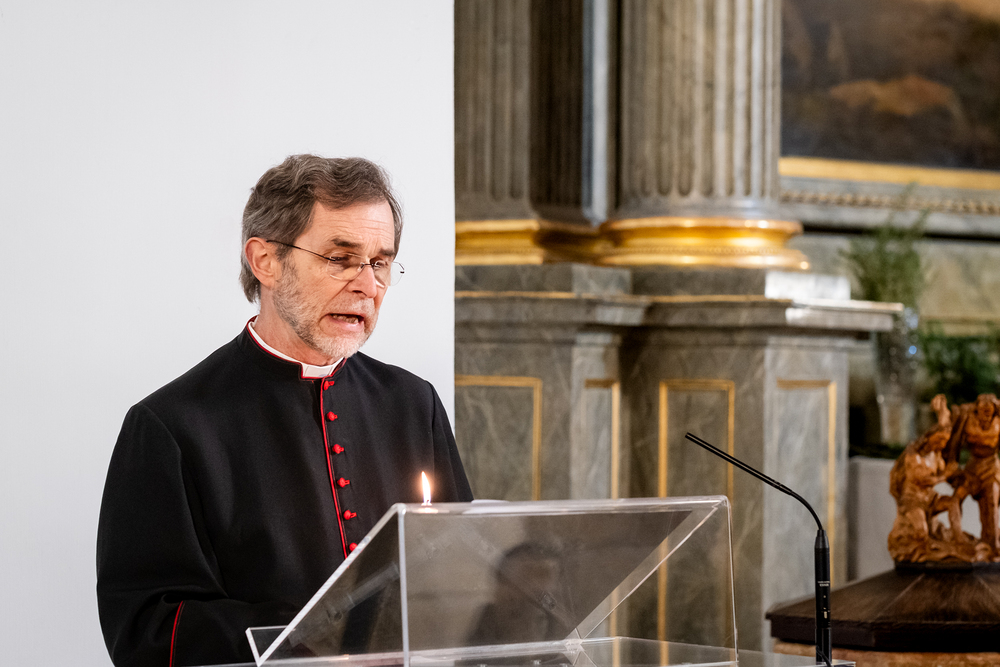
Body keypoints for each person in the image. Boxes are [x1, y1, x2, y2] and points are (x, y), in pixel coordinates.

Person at [96, 155, 473, 667]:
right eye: (340, 259)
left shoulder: (412, 403)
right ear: (265, 261)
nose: (368, 286)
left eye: (380, 263)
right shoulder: (172, 427)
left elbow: (466, 575)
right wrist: (311, 634)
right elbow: (146, 630)